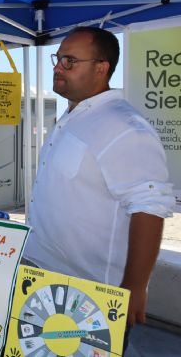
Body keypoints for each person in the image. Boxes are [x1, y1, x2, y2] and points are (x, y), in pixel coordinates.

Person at [23, 27, 175, 328]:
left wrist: (134, 287)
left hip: (91, 296)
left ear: (101, 68)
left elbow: (149, 208)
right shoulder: (73, 117)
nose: (57, 67)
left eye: (69, 61)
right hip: (43, 277)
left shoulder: (124, 127)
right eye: (58, 59)